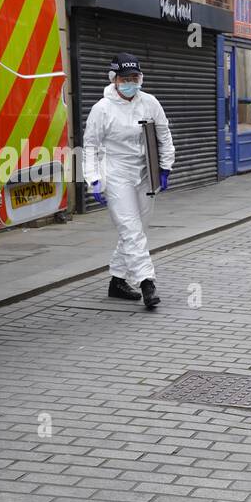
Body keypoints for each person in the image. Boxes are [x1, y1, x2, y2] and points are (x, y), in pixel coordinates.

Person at [82, 52, 174, 310]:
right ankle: (147, 283)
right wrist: (94, 179)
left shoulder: (150, 102)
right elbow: (90, 146)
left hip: (144, 174)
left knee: (137, 230)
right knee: (131, 230)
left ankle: (117, 281)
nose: (131, 82)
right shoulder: (102, 109)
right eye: (125, 78)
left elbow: (164, 134)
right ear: (114, 79)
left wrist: (165, 166)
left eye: (135, 77)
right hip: (116, 174)